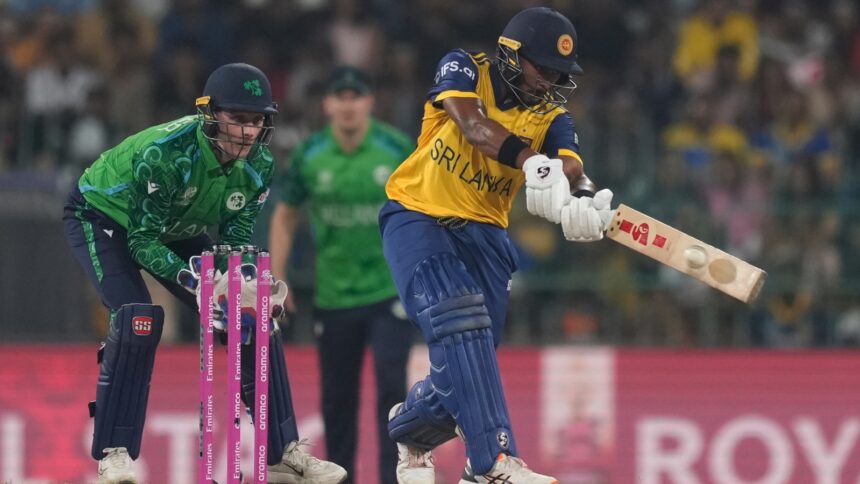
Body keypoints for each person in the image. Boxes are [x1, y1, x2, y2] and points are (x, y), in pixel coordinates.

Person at [63, 62, 347, 484]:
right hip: (104, 217)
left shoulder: (260, 165)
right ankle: (114, 454)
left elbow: (235, 240)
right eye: (237, 118)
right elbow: (142, 242)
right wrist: (198, 283)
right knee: (138, 318)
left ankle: (281, 454)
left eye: (257, 121)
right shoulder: (165, 154)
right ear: (210, 113)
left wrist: (242, 290)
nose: (247, 132)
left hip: (178, 227)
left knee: (251, 319)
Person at [380, 7, 614, 484]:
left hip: (486, 233)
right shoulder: (465, 67)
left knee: (471, 357)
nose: (550, 82)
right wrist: (531, 162)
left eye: (559, 74)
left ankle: (410, 428)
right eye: (542, 68)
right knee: (460, 317)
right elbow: (472, 125)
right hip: (418, 213)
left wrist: (583, 199)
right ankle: (492, 462)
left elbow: (572, 166)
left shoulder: (552, 116)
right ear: (511, 54)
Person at [269, 65, 416, 484]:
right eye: (341, 97)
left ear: (370, 102)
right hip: (333, 296)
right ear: (328, 104)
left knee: (392, 391)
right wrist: (278, 276)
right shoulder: (310, 154)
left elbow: (424, 208)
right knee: (337, 399)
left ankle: (394, 479)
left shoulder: (396, 147)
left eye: (356, 97)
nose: (349, 105)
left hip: (389, 290)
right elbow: (285, 214)